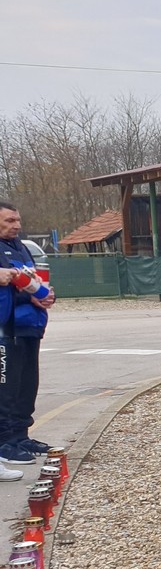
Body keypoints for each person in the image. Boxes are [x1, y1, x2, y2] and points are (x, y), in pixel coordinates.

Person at [0, 201, 55, 477]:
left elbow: (32, 279)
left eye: (18, 220)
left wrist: (44, 293)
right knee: (6, 385)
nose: (16, 226)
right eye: (9, 221)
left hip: (29, 325)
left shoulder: (22, 247)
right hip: (5, 326)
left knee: (27, 383)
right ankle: (5, 440)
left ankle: (21, 434)